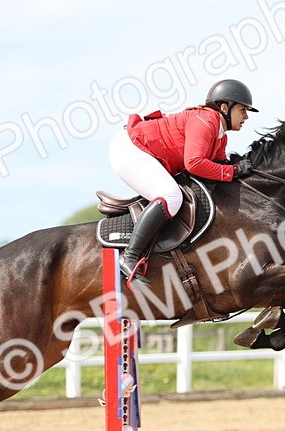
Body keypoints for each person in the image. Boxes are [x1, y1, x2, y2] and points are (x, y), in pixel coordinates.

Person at [108, 78, 257, 283]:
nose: (246, 116)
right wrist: (232, 171)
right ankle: (130, 256)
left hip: (144, 152)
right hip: (130, 148)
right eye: (243, 110)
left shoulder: (221, 136)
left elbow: (218, 166)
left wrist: (239, 170)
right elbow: (194, 164)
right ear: (225, 107)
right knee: (171, 196)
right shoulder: (206, 120)